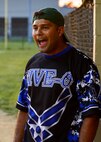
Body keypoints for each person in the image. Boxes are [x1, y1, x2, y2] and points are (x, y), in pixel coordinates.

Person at [13, 8, 101, 142]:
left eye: (45, 27)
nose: (38, 33)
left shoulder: (82, 64)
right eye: (35, 28)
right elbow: (23, 108)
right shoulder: (33, 63)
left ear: (59, 31)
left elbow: (91, 114)